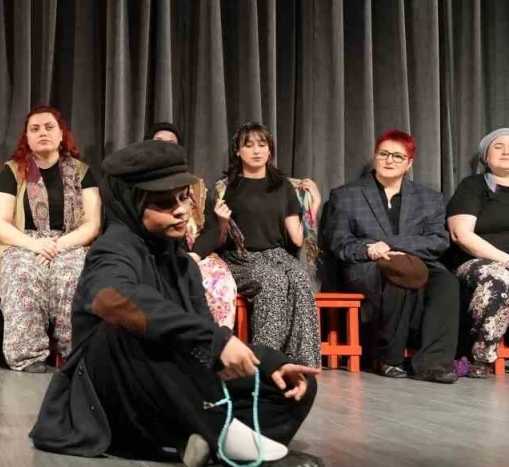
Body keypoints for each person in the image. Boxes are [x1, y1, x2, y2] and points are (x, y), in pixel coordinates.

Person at [30, 140, 324, 467]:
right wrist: (212, 340)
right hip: (115, 400)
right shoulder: (113, 249)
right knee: (127, 328)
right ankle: (224, 439)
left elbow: (202, 342)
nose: (181, 210)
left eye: (184, 197)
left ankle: (203, 439)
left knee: (290, 384)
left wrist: (268, 363)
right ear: (132, 203)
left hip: (170, 392)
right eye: (164, 203)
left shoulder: (182, 264)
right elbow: (109, 298)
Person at [323, 130, 458, 382]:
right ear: (375, 156)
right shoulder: (346, 195)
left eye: (398, 156)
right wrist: (368, 249)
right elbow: (339, 242)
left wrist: (392, 244)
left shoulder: (429, 198)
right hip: (370, 265)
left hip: (419, 262)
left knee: (446, 282)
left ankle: (433, 364)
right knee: (399, 274)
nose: (389, 160)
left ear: (409, 163)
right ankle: (389, 358)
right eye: (383, 154)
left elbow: (438, 241)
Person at [193, 123, 321, 367]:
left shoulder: (283, 186)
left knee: (299, 279)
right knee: (273, 281)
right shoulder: (226, 188)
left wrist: (312, 208)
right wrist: (222, 221)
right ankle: (266, 362)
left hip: (278, 256)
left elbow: (297, 238)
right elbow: (217, 238)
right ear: (238, 151)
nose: (256, 151)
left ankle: (302, 363)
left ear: (270, 150)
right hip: (241, 258)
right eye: (248, 145)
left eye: (262, 145)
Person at [0, 106, 102, 372]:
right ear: (26, 137)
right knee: (22, 272)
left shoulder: (82, 172)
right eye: (35, 129)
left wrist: (57, 246)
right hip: (21, 242)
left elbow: (92, 224)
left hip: (70, 242)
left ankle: (76, 354)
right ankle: (28, 356)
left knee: (73, 274)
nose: (42, 133)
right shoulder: (13, 171)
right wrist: (35, 245)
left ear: (61, 134)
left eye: (49, 127)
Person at [146, 122, 238, 328]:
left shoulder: (196, 186)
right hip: (153, 254)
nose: (164, 147)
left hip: (194, 254)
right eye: (158, 141)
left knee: (219, 283)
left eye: (171, 143)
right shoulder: (136, 185)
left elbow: (212, 229)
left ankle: (214, 343)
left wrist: (195, 255)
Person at [446, 128, 509, 378]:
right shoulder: (474, 186)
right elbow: (461, 234)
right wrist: (506, 260)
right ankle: (478, 357)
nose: (506, 152)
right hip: (476, 262)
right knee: (499, 278)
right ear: (485, 156)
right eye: (498, 147)